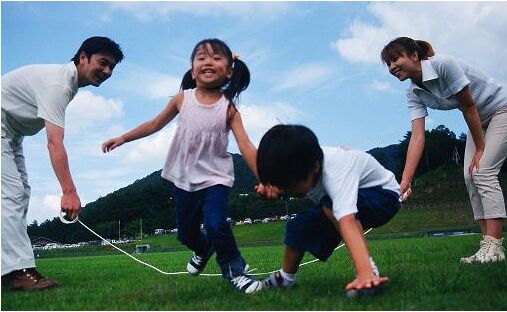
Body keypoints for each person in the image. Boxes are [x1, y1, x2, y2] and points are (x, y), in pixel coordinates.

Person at [102, 38, 262, 294]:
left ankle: (235, 272)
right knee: (186, 234)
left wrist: (262, 178)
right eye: (201, 57)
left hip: (216, 179)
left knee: (215, 223)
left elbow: (246, 147)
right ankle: (203, 248)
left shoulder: (229, 109)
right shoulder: (182, 99)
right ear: (192, 68)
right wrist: (123, 137)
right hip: (184, 179)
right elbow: (154, 124)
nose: (208, 61)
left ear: (229, 70)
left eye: (216, 57)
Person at [1, 36, 124, 290]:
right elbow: (54, 143)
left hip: (12, 134)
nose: (107, 71)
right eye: (103, 63)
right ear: (82, 58)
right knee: (11, 194)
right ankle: (18, 272)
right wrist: (69, 191)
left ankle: (9, 269)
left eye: (112, 67)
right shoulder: (58, 85)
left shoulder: (68, 84)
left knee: (20, 193)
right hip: (3, 126)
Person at [381, 37, 506, 264]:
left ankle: (496, 247)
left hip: (501, 110)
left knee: (483, 171)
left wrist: (480, 148)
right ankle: (486, 245)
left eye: (395, 59)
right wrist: (406, 182)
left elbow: (468, 106)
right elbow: (418, 136)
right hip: (479, 120)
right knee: (470, 176)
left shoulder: (443, 64)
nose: (391, 67)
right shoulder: (413, 93)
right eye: (387, 64)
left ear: (414, 56)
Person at [255, 124, 401, 296]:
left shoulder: (336, 171)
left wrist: (364, 273)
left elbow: (347, 220)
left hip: (384, 197)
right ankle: (285, 279)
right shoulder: (301, 163)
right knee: (297, 226)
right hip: (346, 200)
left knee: (330, 206)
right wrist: (273, 190)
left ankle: (369, 273)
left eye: (290, 186)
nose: (288, 191)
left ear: (315, 167)